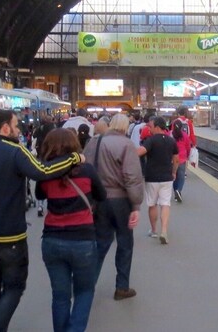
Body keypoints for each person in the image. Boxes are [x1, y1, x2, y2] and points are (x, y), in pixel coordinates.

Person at [0, 110, 83, 332]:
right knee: (15, 286)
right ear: (5, 128)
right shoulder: (15, 151)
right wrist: (74, 158)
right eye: (16, 125)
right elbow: (42, 171)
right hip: (9, 236)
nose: (19, 129)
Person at [35, 128, 107, 332]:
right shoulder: (87, 170)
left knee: (60, 295)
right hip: (82, 240)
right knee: (84, 291)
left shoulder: (46, 173)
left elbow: (40, 196)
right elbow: (101, 195)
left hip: (51, 240)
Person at [83, 113, 144, 300]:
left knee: (100, 243)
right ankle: (122, 287)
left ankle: (86, 286)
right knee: (125, 244)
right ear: (125, 127)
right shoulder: (126, 145)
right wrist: (136, 205)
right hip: (121, 201)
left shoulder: (94, 142)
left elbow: (85, 168)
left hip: (98, 199)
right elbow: (132, 178)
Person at [137, 117, 178, 244]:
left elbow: (140, 152)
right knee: (165, 204)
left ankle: (154, 230)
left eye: (151, 126)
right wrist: (174, 172)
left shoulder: (151, 141)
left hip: (152, 177)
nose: (149, 129)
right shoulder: (171, 141)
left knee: (152, 204)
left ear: (157, 127)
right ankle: (164, 230)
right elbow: (176, 159)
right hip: (167, 177)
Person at [171, 106, 196, 203]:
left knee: (174, 174)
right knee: (181, 174)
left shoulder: (174, 122)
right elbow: (192, 134)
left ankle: (175, 190)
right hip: (183, 153)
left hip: (173, 155)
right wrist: (194, 144)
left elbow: (172, 134)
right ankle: (179, 190)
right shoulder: (188, 122)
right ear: (185, 112)